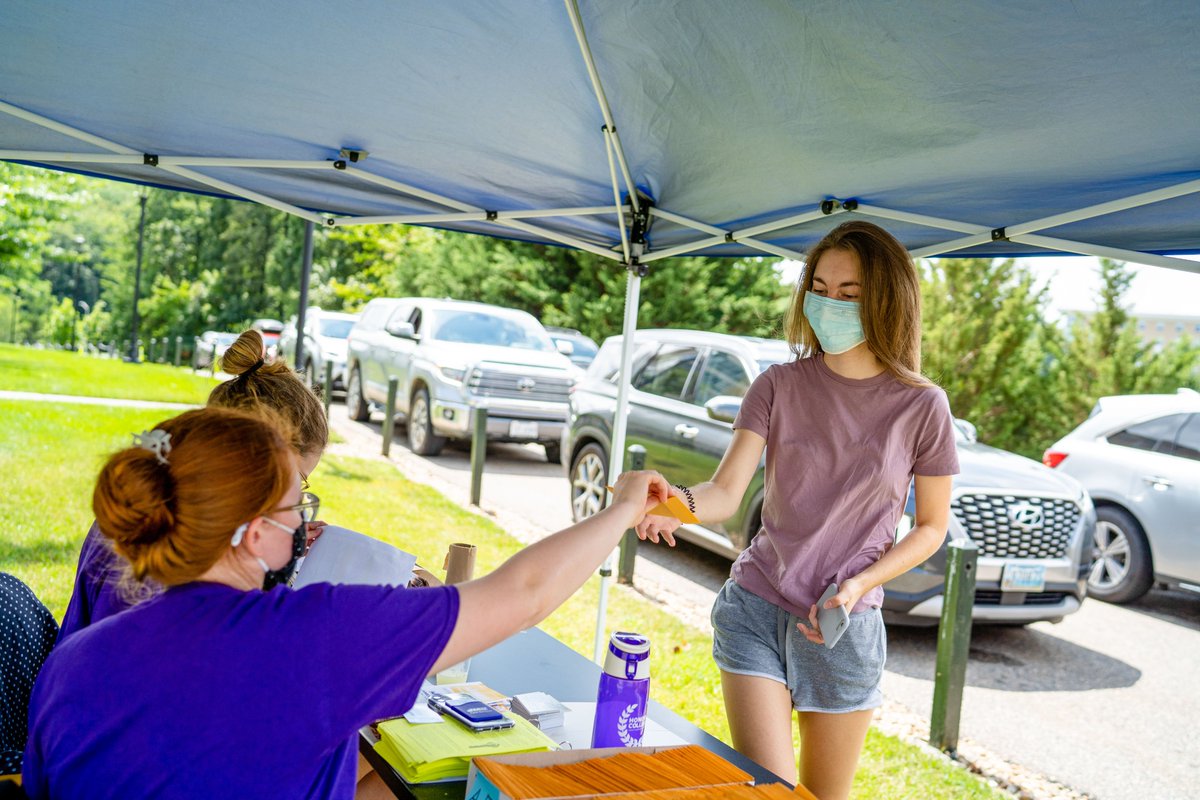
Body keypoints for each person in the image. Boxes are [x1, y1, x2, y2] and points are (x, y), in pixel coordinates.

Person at [23, 407, 669, 799]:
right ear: (254, 533)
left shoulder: (71, 664)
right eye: (295, 507)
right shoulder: (318, 635)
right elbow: (524, 594)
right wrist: (622, 509)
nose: (303, 524)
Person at [635, 221, 958, 800]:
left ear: (886, 301)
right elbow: (725, 490)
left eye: (849, 294)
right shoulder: (776, 385)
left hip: (841, 628)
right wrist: (675, 505)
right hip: (755, 608)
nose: (829, 305)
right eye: (820, 289)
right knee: (770, 794)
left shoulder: (923, 406)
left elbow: (933, 527)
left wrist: (859, 585)